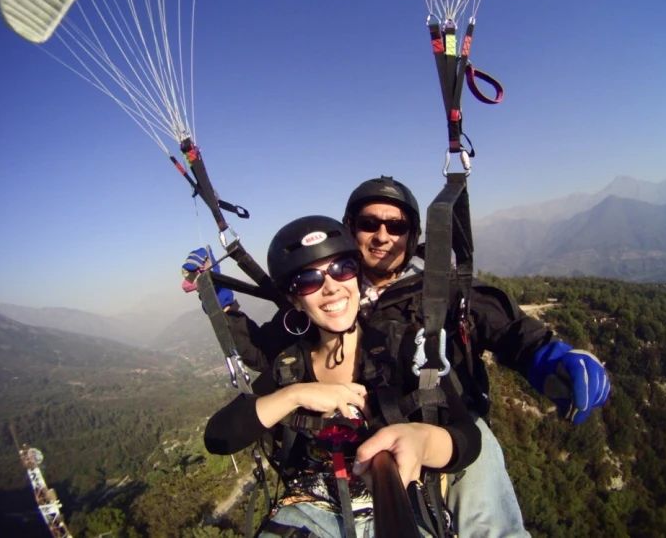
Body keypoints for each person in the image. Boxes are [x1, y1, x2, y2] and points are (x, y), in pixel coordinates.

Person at [184, 176, 611, 538]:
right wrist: (225, 310)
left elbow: (509, 330)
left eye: (397, 225)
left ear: (413, 234)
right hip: (358, 454)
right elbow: (271, 355)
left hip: (447, 427)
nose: (384, 235)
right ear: (351, 231)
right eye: (370, 224)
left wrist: (552, 360)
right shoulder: (324, 298)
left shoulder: (440, 293)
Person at [203, 215, 481, 538]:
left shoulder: (401, 347)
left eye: (342, 269)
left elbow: (468, 436)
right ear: (295, 299)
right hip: (311, 516)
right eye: (309, 280)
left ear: (356, 277)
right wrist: (296, 395)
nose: (331, 287)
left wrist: (422, 442)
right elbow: (219, 436)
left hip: (404, 510)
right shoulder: (291, 367)